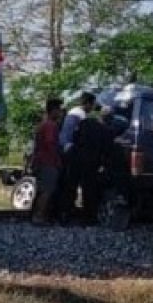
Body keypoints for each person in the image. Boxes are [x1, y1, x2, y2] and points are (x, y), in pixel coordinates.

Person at [57, 92, 96, 223]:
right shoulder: (79, 115)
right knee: (74, 184)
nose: (92, 108)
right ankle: (68, 213)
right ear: (88, 103)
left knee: (70, 184)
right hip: (73, 152)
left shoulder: (73, 113)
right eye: (92, 104)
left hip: (68, 151)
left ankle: (66, 212)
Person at [31, 98, 63, 226]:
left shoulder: (43, 124)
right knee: (47, 190)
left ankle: (37, 215)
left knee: (42, 189)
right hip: (48, 162)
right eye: (59, 110)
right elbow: (50, 144)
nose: (60, 112)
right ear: (54, 110)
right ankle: (39, 217)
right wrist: (57, 160)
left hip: (40, 161)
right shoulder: (50, 125)